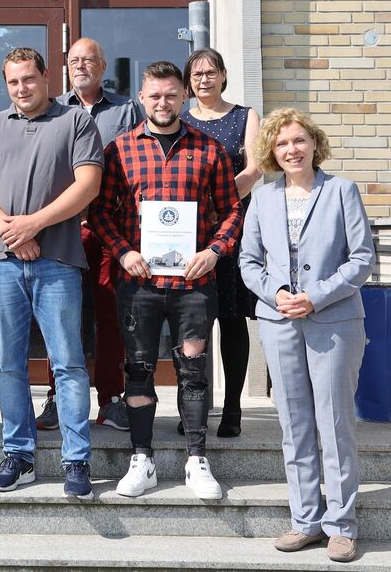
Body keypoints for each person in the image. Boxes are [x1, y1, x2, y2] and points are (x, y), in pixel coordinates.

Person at [88, 60, 242, 500]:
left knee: (193, 371)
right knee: (137, 371)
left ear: (183, 98)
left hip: (193, 284)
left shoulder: (209, 149)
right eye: (154, 95)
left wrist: (214, 252)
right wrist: (124, 251)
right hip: (138, 285)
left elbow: (232, 210)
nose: (162, 102)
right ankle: (143, 458)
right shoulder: (119, 149)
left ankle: (197, 458)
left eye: (171, 95)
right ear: (141, 98)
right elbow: (99, 211)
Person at [0, 48, 103, 497]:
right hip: (1, 261)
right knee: (8, 364)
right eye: (13, 82)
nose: (21, 88)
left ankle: (76, 460)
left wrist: (34, 223)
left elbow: (88, 184)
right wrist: (12, 230)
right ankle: (19, 455)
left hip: (58, 260)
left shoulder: (76, 122)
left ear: (46, 77)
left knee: (68, 363)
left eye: (28, 79)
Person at [239, 108, 374, 563]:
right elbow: (248, 262)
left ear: (314, 143)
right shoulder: (262, 199)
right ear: (271, 153)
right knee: (294, 425)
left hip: (332, 322)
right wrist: (276, 293)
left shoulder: (341, 191)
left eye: (299, 140)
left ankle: (341, 525)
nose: (292, 150)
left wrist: (315, 297)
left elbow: (361, 260)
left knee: (334, 424)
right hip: (279, 322)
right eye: (281, 144)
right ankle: (305, 521)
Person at [36, 37, 142, 434]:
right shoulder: (51, 110)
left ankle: (111, 399)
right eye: (75, 60)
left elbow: (138, 164)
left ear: (103, 66)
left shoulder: (128, 110)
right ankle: (56, 397)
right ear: (66, 67)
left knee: (111, 315)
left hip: (110, 231)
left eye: (89, 60)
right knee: (59, 316)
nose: (81, 66)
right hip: (62, 229)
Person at [180, 47, 262, 438]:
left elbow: (257, 167)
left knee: (231, 319)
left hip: (230, 230)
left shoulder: (244, 116)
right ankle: (190, 409)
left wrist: (219, 199)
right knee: (190, 321)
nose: (204, 80)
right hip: (188, 234)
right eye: (196, 75)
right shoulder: (179, 118)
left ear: (224, 75)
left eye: (211, 72)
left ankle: (232, 409)